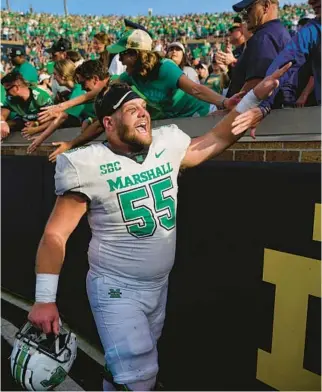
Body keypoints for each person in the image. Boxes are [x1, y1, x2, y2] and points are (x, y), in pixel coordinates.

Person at [27, 63, 292, 392]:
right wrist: (44, 299)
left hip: (157, 285)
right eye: (131, 109)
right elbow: (56, 234)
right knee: (140, 374)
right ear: (108, 123)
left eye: (143, 107)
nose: (143, 114)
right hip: (116, 288)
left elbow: (216, 138)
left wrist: (254, 99)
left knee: (127, 371)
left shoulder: (166, 145)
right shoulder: (86, 163)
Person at [37, 29, 243, 124]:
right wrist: (61, 106)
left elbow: (196, 89)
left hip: (201, 115)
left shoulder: (166, 67)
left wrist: (224, 102)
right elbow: (100, 89)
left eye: (123, 55)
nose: (119, 60)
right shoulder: (130, 76)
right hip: (177, 120)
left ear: (135, 54)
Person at [231, 0, 321, 137]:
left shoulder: (266, 36)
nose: (310, 1)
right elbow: (284, 64)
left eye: (249, 10)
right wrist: (263, 105)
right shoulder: (313, 30)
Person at [226, 0, 291, 98]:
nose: (244, 16)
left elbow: (257, 83)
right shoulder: (276, 31)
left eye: (249, 9)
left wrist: (231, 110)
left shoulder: (264, 36)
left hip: (258, 111)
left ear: (266, 6)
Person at [1, 71, 53, 137]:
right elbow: (2, 113)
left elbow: (54, 119)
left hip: (44, 129)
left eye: (7, 90)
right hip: (24, 123)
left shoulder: (41, 96)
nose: (6, 94)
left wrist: (36, 127)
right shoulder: (11, 99)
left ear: (16, 88)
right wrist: (2, 122)